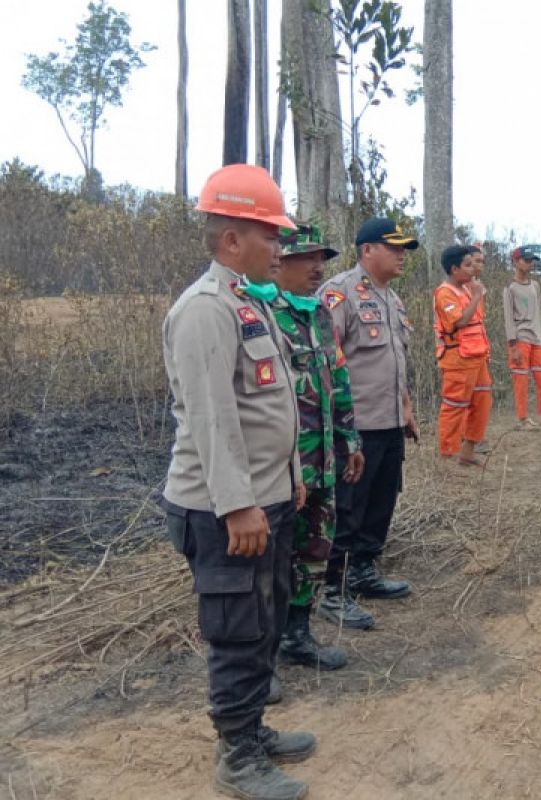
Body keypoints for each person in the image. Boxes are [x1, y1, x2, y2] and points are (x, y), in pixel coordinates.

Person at [160, 163, 312, 800]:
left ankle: (251, 728)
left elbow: (269, 405)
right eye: (269, 235)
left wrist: (292, 476)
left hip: (266, 498)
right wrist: (239, 505)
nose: (280, 247)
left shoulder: (248, 303)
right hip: (225, 510)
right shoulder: (203, 311)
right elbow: (212, 418)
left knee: (266, 621)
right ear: (230, 241)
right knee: (238, 631)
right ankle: (236, 758)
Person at [268, 223, 365, 679]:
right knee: (269, 560)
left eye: (321, 258)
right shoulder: (262, 313)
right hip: (281, 466)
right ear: (279, 260)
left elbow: (338, 380)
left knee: (314, 549)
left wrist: (350, 439)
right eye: (308, 257)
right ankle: (258, 659)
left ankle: (297, 635)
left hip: (322, 459)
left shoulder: (319, 314)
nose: (318, 267)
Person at [316, 217, 418, 631]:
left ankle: (363, 570)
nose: (401, 256)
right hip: (355, 426)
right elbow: (326, 363)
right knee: (347, 508)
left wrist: (407, 408)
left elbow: (396, 361)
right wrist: (337, 427)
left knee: (380, 503)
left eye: (403, 250)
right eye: (393, 248)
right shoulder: (339, 294)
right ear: (367, 250)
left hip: (389, 420)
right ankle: (333, 590)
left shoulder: (391, 299)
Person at [434, 245, 493, 466]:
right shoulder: (445, 292)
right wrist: (477, 295)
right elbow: (459, 322)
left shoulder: (467, 288)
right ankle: (448, 456)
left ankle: (467, 451)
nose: (472, 270)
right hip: (458, 358)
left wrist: (476, 294)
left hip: (478, 355)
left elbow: (478, 319)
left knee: (482, 401)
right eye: (467, 265)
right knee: (455, 406)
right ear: (454, 269)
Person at [503, 246, 541, 431]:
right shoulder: (510, 288)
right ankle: (523, 419)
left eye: (531, 261)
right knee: (521, 381)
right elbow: (508, 318)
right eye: (526, 260)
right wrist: (512, 345)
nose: (529, 264)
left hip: (538, 338)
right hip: (520, 339)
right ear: (516, 261)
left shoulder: (535, 286)